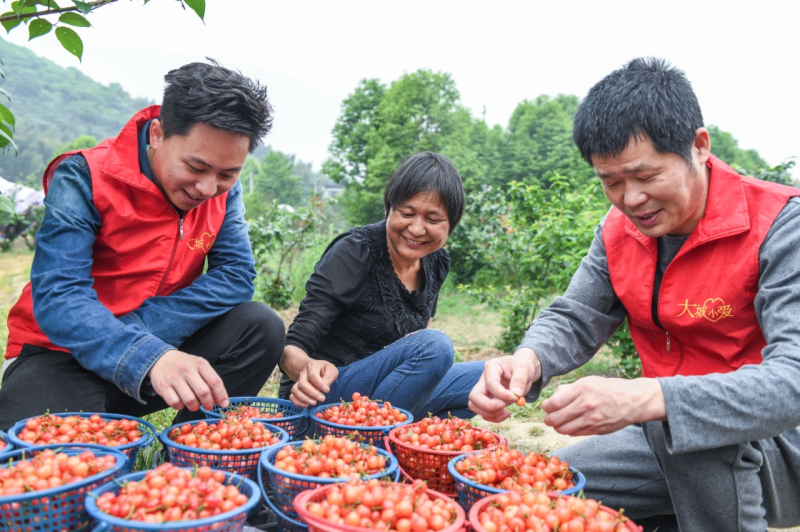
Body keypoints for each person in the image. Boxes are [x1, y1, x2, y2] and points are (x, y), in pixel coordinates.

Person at [468, 57, 800, 531]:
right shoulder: (620, 230)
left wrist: (649, 397)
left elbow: (793, 382)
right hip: (662, 437)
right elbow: (578, 313)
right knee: (538, 487)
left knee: (691, 436)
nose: (631, 199)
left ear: (699, 147)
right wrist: (529, 359)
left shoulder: (782, 226)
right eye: (611, 182)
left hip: (781, 445)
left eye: (645, 177)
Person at [0, 60, 285, 431]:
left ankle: (191, 454)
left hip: (159, 348)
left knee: (259, 326)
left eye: (228, 174)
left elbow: (235, 275)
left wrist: (145, 338)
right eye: (195, 168)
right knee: (60, 461)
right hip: (62, 353)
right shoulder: (84, 176)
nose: (207, 188)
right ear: (157, 134)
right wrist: (144, 353)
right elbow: (59, 294)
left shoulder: (221, 191)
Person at [280, 151, 484, 422]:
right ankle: (365, 443)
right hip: (326, 398)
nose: (417, 229)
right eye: (406, 213)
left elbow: (415, 343)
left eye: (433, 220)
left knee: (488, 375)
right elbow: (289, 349)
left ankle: (396, 434)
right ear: (389, 208)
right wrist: (307, 369)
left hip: (387, 396)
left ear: (451, 224)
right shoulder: (355, 252)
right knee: (435, 346)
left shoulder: (436, 262)